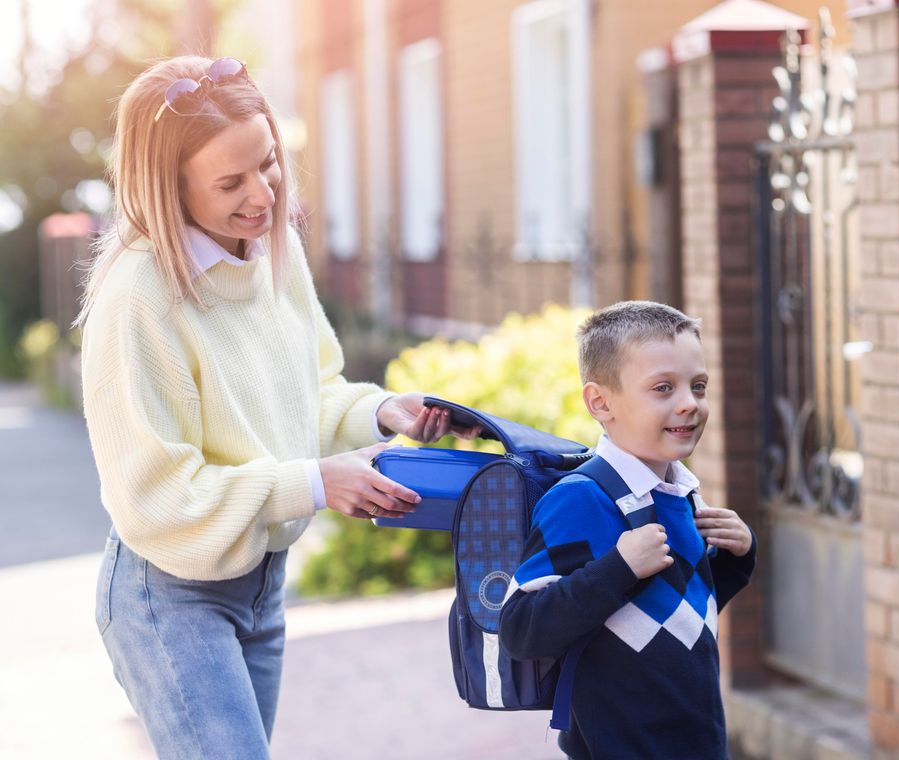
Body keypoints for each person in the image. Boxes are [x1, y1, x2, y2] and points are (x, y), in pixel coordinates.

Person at [77, 56, 474, 758]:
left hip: (261, 585)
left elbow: (310, 396)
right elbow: (158, 497)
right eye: (230, 182)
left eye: (267, 164)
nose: (263, 195)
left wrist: (386, 413)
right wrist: (317, 482)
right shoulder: (139, 300)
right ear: (169, 190)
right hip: (170, 594)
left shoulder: (271, 250)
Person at [499, 300, 757, 759]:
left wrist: (739, 558)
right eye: (663, 388)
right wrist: (618, 568)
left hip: (697, 742)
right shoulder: (581, 498)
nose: (689, 404)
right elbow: (522, 629)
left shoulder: (679, 492)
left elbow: (680, 617)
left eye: (698, 386)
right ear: (601, 402)